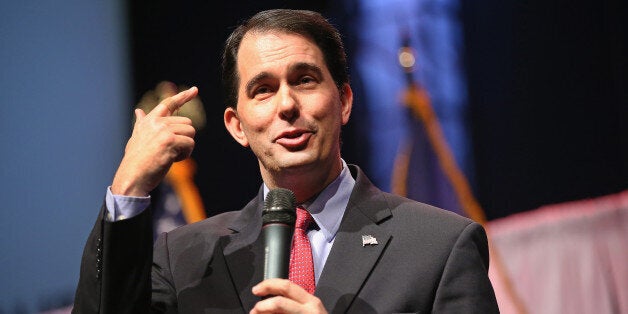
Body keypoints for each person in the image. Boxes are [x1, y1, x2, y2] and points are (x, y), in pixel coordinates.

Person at [72, 8, 499, 313]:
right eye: (262, 89)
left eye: (305, 80)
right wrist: (127, 190)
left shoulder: (440, 248)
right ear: (236, 126)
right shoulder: (183, 258)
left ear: (344, 101)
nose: (287, 105)